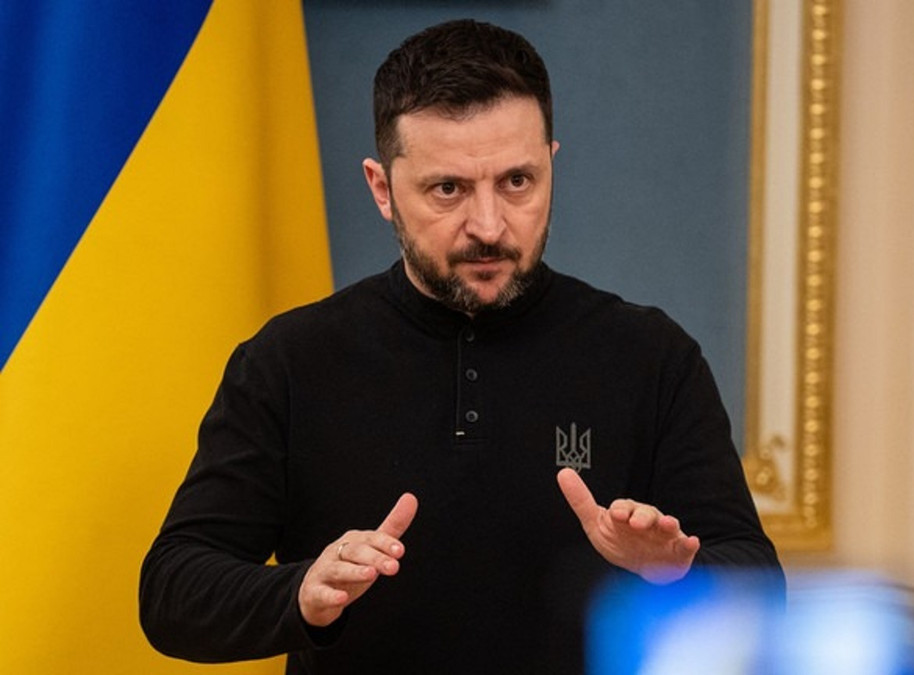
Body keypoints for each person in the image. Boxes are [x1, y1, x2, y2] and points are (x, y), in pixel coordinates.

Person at [140, 18, 782, 673]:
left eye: (517, 182)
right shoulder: (289, 360)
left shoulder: (652, 357)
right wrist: (302, 591)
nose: (489, 225)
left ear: (551, 164)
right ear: (382, 189)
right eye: (448, 189)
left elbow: (758, 583)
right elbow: (173, 592)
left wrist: (678, 576)